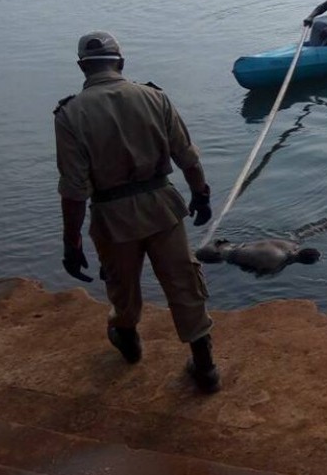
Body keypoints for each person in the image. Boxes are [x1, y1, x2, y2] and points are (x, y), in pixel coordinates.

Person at [54, 31, 220, 393]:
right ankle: (205, 365)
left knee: (122, 286)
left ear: (82, 67)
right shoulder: (154, 97)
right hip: (162, 205)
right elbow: (187, 156)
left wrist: (72, 243)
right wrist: (201, 195)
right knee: (182, 281)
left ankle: (127, 339)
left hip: (112, 217)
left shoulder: (70, 115)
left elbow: (73, 190)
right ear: (121, 62)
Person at [196, 238, 321, 277]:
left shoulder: (289, 244)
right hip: (215, 255)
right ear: (304, 263)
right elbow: (255, 272)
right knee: (192, 259)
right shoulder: (276, 263)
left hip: (223, 244)